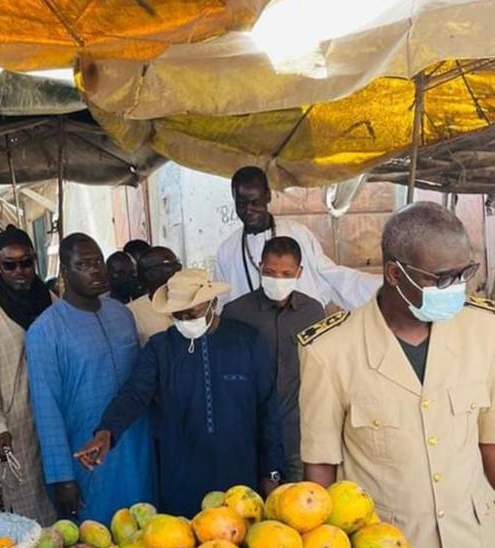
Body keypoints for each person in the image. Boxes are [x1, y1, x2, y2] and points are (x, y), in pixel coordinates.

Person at [298, 201, 495, 548]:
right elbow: (320, 469)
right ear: (395, 274)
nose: (457, 289)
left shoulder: (483, 329)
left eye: (465, 274)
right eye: (442, 278)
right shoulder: (328, 352)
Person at [76, 269, 284, 517]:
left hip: (239, 474)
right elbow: (133, 395)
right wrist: (106, 433)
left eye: (193, 312)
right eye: (178, 315)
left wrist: (271, 471)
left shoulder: (247, 341)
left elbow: (268, 410)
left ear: (213, 303)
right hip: (182, 476)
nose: (185, 320)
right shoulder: (160, 348)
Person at [25, 233, 153, 521]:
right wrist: (62, 478)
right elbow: (47, 411)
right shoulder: (45, 331)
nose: (96, 270)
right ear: (65, 273)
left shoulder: (122, 314)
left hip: (135, 447)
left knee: (147, 538)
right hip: (87, 457)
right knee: (99, 544)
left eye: (98, 261)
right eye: (83, 264)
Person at [0, 225, 57, 524]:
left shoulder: (54, 303)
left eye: (26, 262)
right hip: (16, 432)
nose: (20, 271)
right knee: (30, 516)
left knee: (65, 505)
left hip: (57, 423)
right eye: (10, 265)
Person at [224, 236, 325, 482]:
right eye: (270, 272)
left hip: (296, 438)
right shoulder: (236, 313)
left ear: (299, 272)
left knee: (299, 510)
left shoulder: (313, 312)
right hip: (248, 440)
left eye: (286, 274)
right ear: (260, 268)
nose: (277, 280)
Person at [216, 166, 380, 310]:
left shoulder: (297, 233)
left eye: (255, 202)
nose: (248, 210)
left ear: (268, 196)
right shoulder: (227, 250)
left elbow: (332, 276)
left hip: (301, 332)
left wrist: (382, 291)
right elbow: (222, 302)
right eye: (242, 203)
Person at [127, 246, 180, 346]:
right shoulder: (132, 313)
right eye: (168, 264)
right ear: (150, 274)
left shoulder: (192, 300)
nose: (178, 267)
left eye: (177, 263)